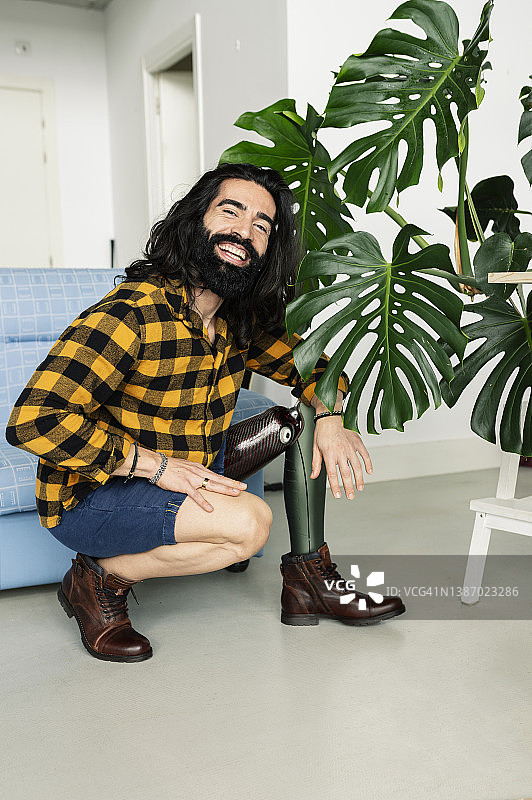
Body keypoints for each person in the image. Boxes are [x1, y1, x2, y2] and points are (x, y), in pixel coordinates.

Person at [6, 163, 404, 663]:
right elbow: (33, 419)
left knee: (295, 417)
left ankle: (306, 576)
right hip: (94, 494)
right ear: (197, 220)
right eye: (231, 212)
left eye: (262, 225)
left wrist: (330, 417)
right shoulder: (133, 314)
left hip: (193, 469)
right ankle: (96, 580)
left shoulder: (239, 319)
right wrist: (156, 467)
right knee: (250, 525)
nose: (245, 231)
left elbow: (320, 371)